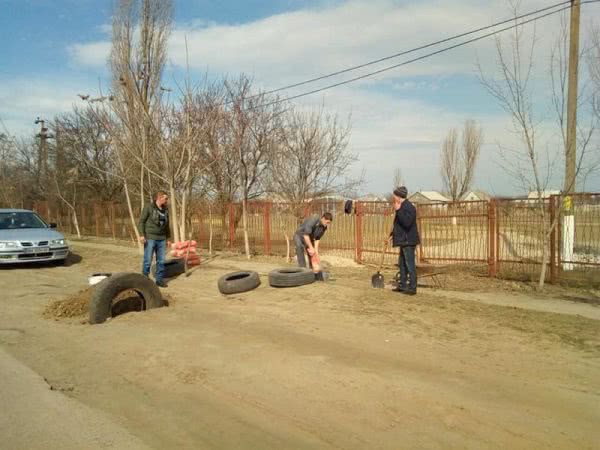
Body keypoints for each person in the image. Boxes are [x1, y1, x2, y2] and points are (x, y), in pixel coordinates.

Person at [388, 186, 420, 295]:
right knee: (402, 263)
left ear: (399, 196)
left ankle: (412, 287)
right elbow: (399, 225)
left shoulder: (409, 207)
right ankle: (402, 285)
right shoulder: (401, 206)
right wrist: (392, 234)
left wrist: (398, 210)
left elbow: (407, 223)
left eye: (395, 195)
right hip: (403, 240)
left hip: (409, 240)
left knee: (409, 264)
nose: (393, 197)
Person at [138, 191, 170, 288]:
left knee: (161, 260)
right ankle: (144, 280)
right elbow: (141, 222)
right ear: (159, 198)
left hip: (162, 239)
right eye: (165, 198)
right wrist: (142, 235)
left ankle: (159, 280)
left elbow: (167, 225)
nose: (167, 200)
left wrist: (168, 238)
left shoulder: (165, 210)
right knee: (148, 260)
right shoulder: (149, 207)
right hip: (150, 237)